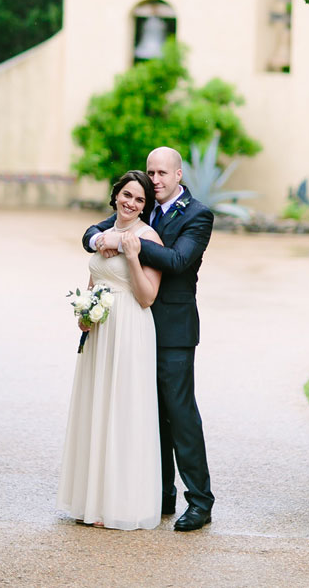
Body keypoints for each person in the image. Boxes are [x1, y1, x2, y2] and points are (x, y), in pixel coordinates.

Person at [83, 146, 214, 532]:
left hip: (173, 329)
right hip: (133, 328)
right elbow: (95, 230)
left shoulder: (197, 215)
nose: (154, 179)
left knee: (180, 412)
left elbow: (176, 261)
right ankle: (161, 494)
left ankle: (200, 501)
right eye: (150, 172)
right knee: (147, 412)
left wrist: (126, 242)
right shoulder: (141, 205)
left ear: (178, 176)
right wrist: (99, 240)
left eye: (161, 173)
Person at [57, 170, 164, 530]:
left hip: (130, 328)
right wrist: (84, 314)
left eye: (139, 200)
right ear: (116, 194)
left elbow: (148, 297)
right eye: (126, 195)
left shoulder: (148, 238)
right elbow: (95, 278)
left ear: (145, 207)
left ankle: (120, 503)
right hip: (100, 329)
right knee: (96, 406)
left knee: (122, 409)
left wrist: (133, 256)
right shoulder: (100, 235)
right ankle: (92, 500)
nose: (131, 203)